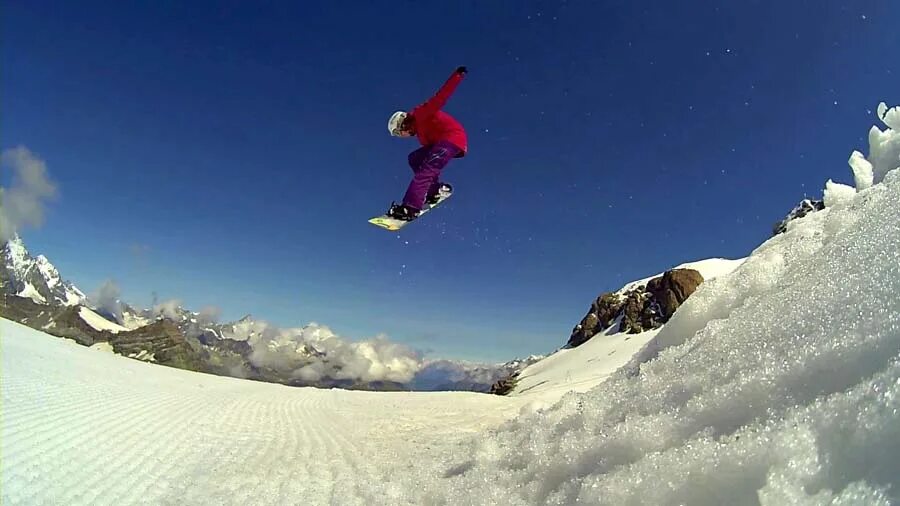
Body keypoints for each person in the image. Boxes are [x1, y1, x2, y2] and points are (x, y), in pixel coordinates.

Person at [385, 66, 469, 221]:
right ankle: (435, 191)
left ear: (402, 125)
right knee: (415, 158)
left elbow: (441, 97)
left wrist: (457, 76)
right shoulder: (421, 136)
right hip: (443, 143)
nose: (401, 136)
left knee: (426, 169)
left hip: (453, 138)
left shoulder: (420, 114)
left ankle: (410, 208)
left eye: (398, 133)